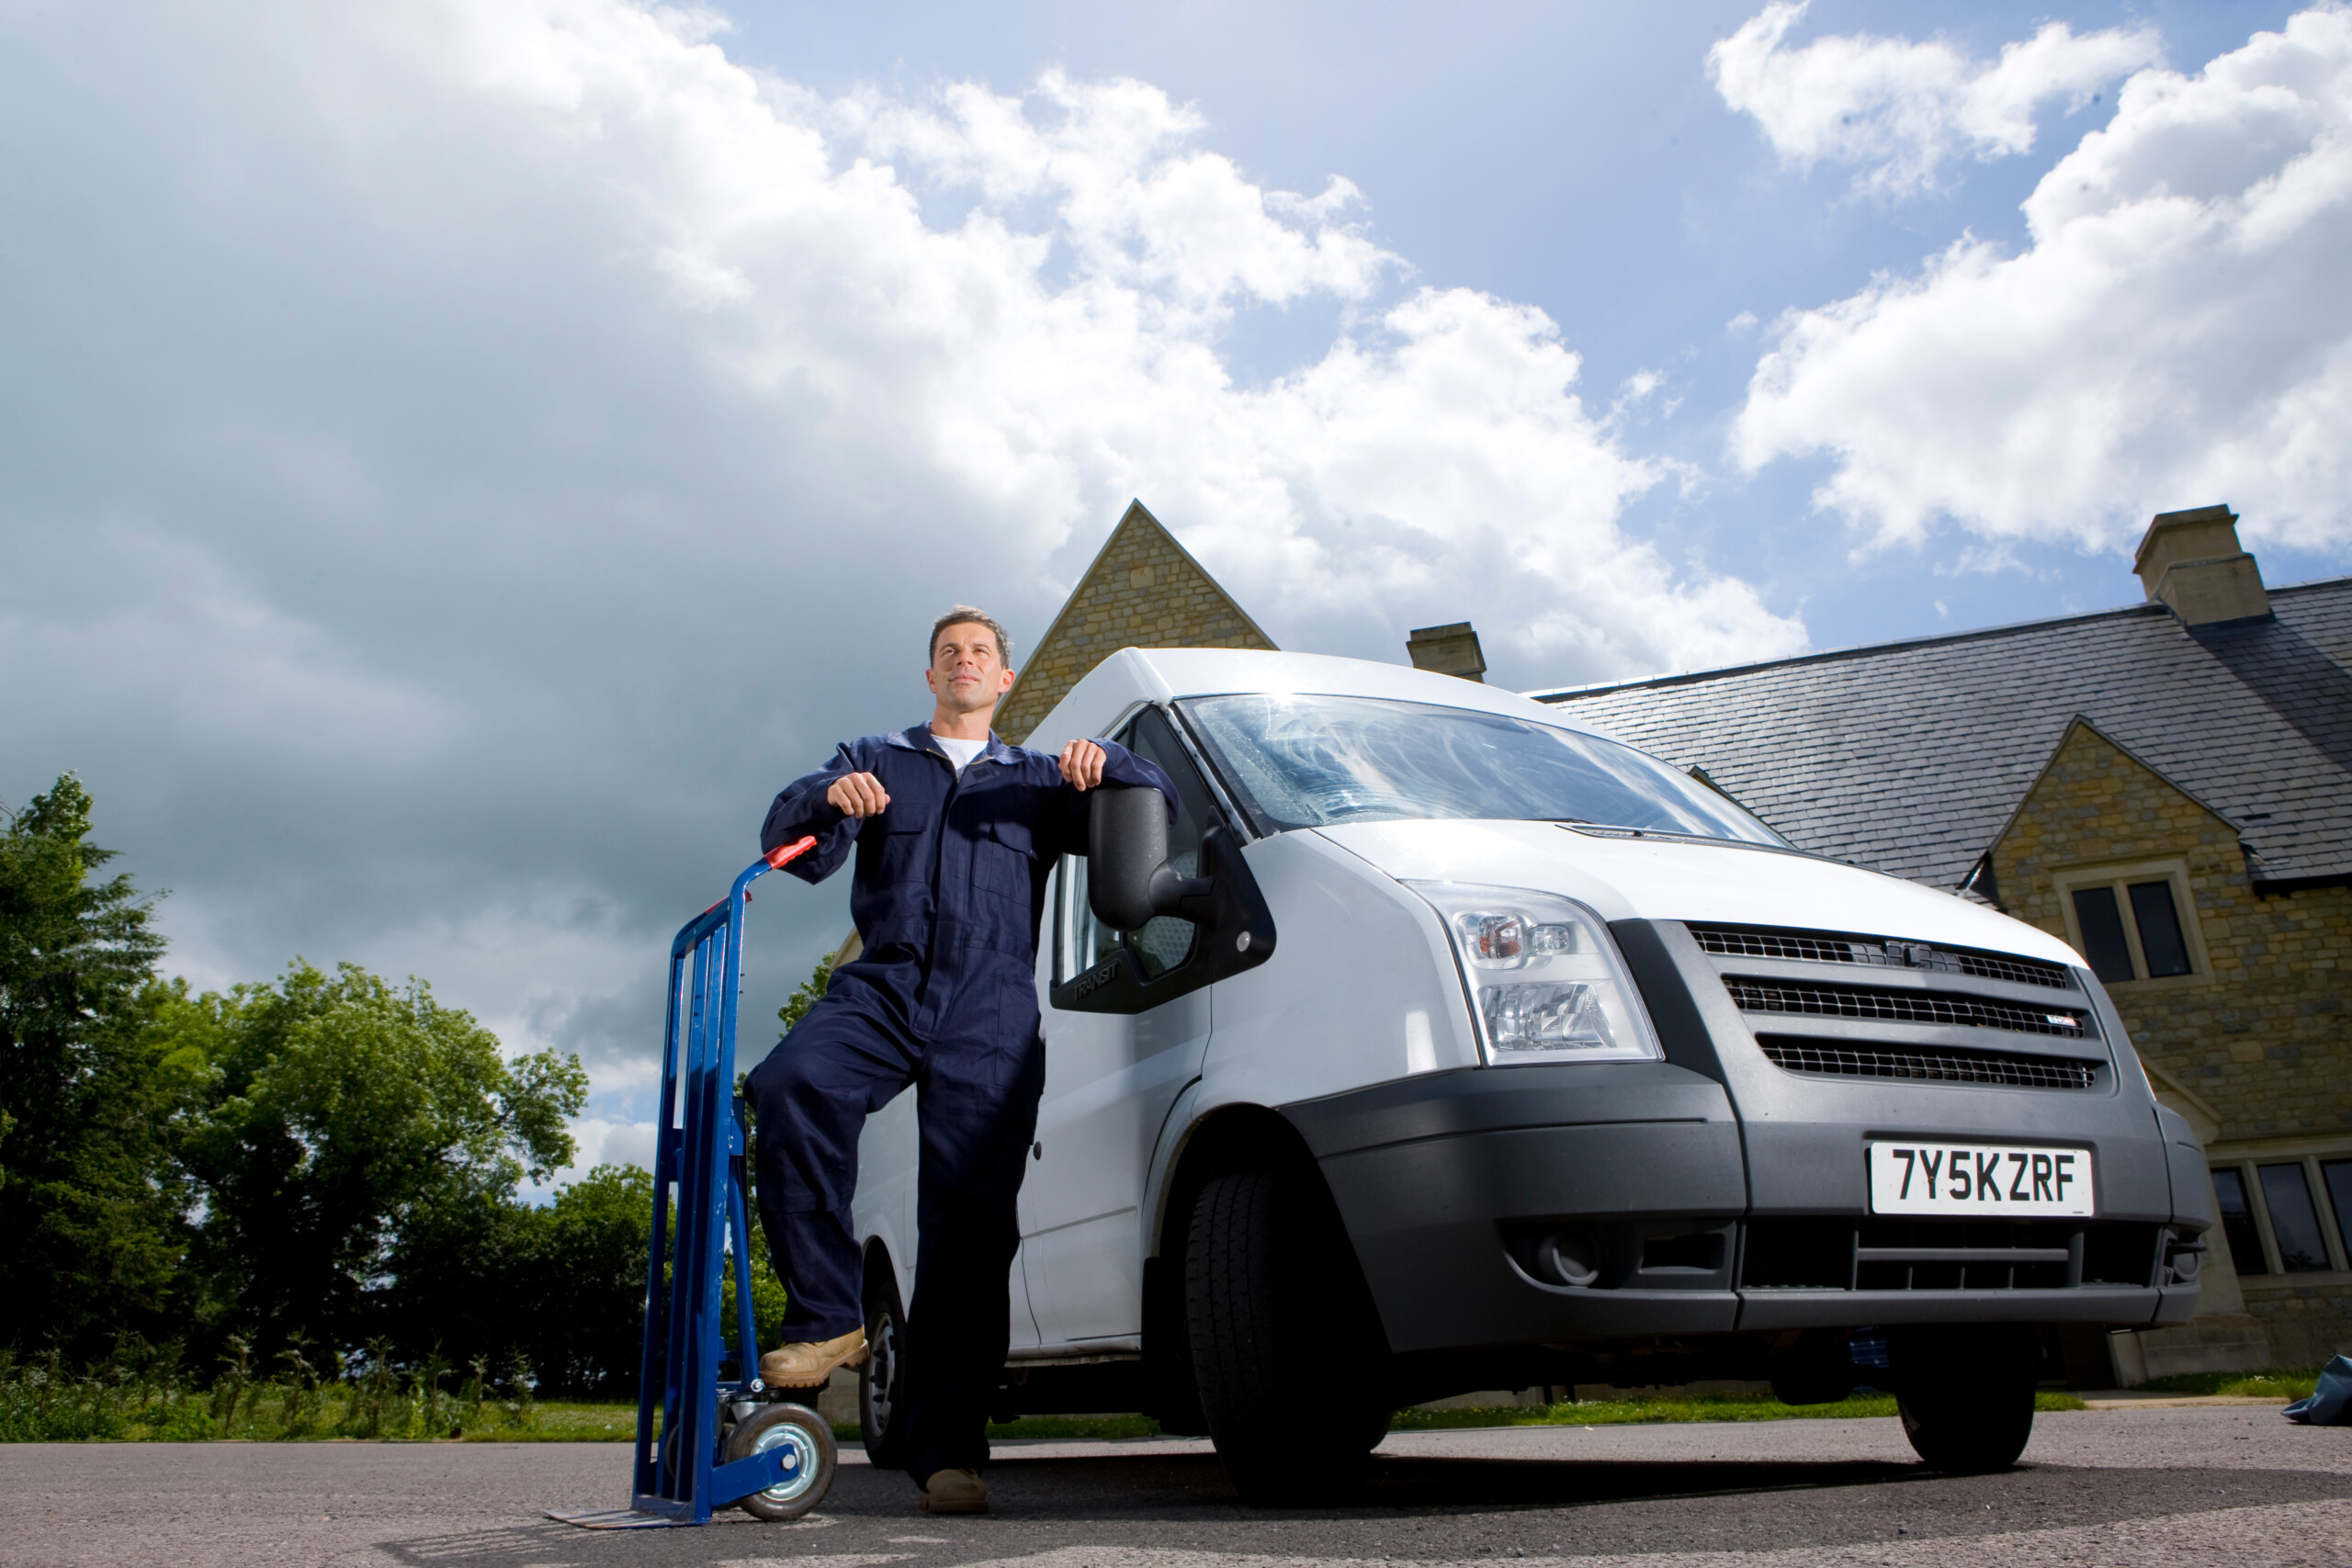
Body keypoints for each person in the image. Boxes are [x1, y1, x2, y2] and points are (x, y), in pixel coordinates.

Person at [743, 606, 1176, 1516]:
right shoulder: (876, 756)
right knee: (789, 1083)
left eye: (980, 652)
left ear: (1004, 681)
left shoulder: (1040, 777)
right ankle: (828, 1320)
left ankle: (948, 1452)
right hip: (885, 983)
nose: (965, 662)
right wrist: (829, 800)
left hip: (989, 1007)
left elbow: (1154, 797)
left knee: (968, 1226)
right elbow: (786, 838)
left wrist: (1114, 766)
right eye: (949, 654)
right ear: (931, 678)